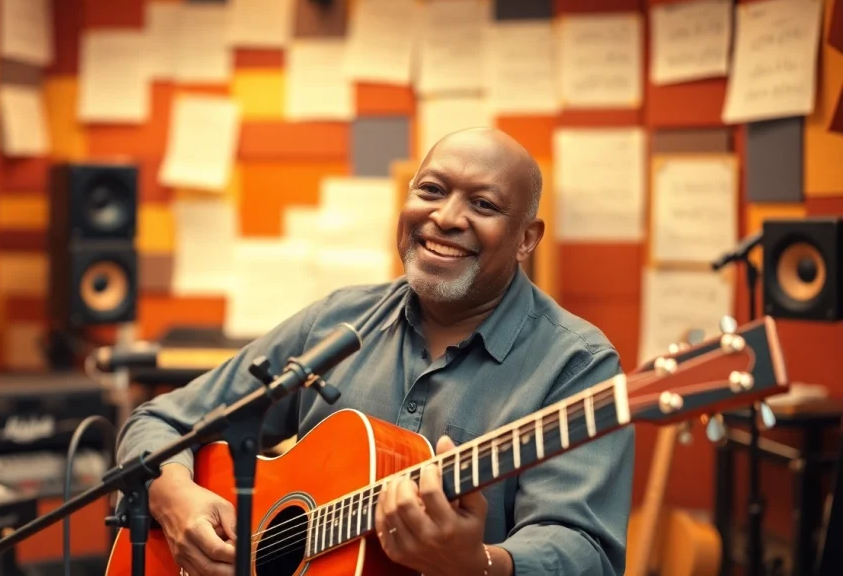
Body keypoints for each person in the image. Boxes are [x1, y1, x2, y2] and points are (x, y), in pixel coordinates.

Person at [116, 127, 636, 576]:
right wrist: (174, 497)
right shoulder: (337, 322)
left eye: (483, 204)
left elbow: (587, 553)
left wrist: (476, 564)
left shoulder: (577, 364)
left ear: (526, 239)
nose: (447, 217)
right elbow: (159, 422)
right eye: (432, 190)